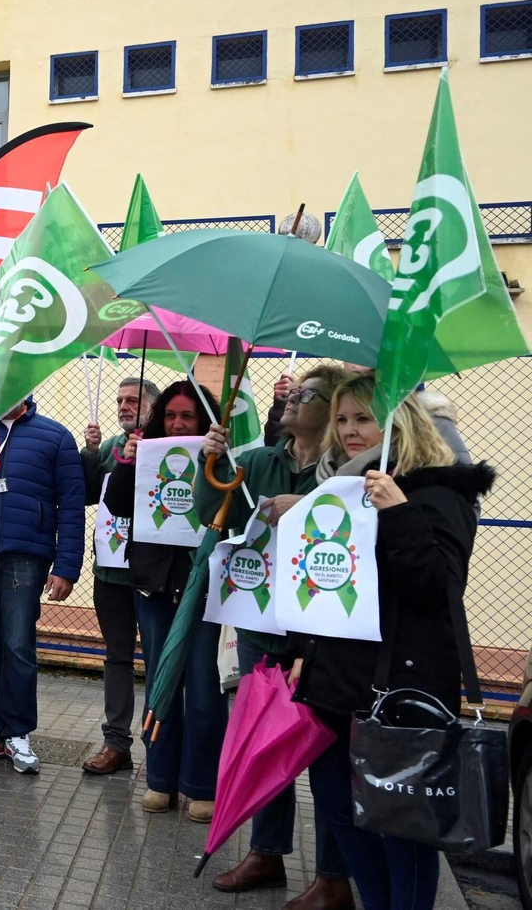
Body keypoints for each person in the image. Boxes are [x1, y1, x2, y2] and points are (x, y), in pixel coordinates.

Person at [295, 375, 493, 910]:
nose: (350, 431)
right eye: (341, 419)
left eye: (363, 418)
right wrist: (301, 654)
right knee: (342, 815)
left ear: (396, 422)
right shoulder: (339, 487)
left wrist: (399, 511)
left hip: (400, 690)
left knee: (399, 829)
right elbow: (326, 584)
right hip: (336, 682)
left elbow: (439, 585)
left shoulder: (438, 490)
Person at [202, 363, 352, 907]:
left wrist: (307, 509)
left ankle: (335, 876)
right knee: (265, 741)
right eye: (292, 390)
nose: (289, 396)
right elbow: (208, 512)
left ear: (332, 410)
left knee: (329, 752)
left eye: (307, 393)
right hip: (261, 623)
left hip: (321, 632)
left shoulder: (349, 470)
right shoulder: (260, 461)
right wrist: (210, 462)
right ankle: (266, 852)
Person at [105, 381, 226, 820]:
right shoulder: (145, 450)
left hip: (204, 587)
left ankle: (200, 783)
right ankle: (161, 780)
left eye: (187, 416)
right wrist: (128, 462)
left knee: (203, 690)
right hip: (154, 586)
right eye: (171, 415)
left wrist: (221, 455)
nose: (177, 423)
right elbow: (117, 506)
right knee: (160, 683)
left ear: (204, 421)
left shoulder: (223, 452)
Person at [0, 395, 84, 774]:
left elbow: (72, 506)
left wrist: (67, 567)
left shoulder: (56, 436)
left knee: (17, 645)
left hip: (27, 554)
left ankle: (17, 733)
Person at [79, 377, 158, 775]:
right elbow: (89, 492)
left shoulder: (166, 446)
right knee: (117, 658)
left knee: (160, 660)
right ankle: (116, 743)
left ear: (153, 407)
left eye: (133, 400)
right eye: (120, 400)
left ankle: (161, 747)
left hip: (156, 575)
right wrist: (91, 453)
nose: (124, 406)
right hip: (110, 571)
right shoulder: (111, 446)